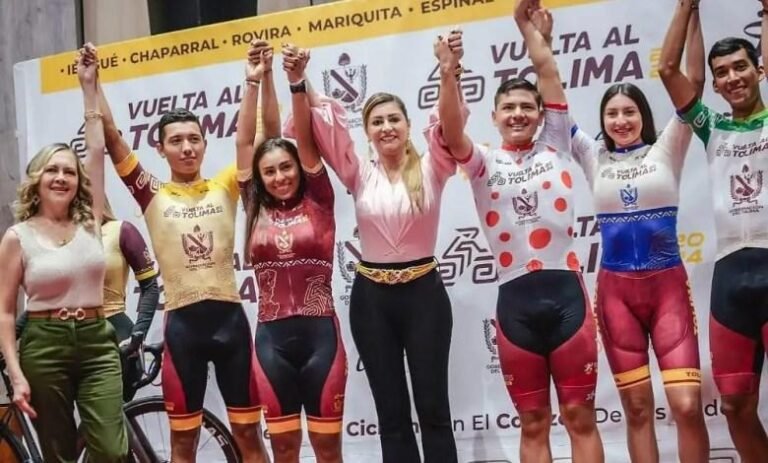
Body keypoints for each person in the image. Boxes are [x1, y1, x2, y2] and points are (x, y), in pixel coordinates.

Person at [430, 1, 603, 461]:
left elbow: (547, 72)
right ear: (494, 116)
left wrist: (525, 29)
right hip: (515, 305)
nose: (518, 114)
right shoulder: (483, 162)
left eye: (527, 106)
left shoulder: (556, 141)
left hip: (567, 297)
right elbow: (451, 130)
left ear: (542, 114)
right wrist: (449, 72)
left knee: (579, 417)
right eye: (508, 107)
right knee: (533, 423)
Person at [540, 2, 710, 461]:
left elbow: (694, 83)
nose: (621, 120)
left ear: (642, 115)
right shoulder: (591, 154)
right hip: (617, 295)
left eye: (629, 111)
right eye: (612, 113)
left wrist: (692, 12)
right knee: (637, 409)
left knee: (687, 406)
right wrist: (544, 43)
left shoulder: (668, 145)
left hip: (668, 288)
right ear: (603, 120)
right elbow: (555, 108)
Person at [94, 41, 275, 463]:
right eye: (176, 141)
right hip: (182, 330)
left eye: (194, 139)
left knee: (249, 436)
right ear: (160, 149)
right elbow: (111, 136)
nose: (187, 147)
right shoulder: (152, 194)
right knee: (182, 444)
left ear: (205, 144)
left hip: (231, 324)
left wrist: (257, 80)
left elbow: (263, 135)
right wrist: (93, 82)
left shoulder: (225, 185)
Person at [295, 45, 460, 463]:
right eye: (377, 121)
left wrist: (448, 71)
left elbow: (451, 123)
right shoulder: (358, 172)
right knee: (391, 413)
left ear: (408, 125)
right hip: (372, 302)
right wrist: (300, 76)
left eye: (393, 119)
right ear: (367, 131)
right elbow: (324, 124)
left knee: (434, 408)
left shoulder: (434, 166)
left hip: (424, 297)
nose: (387, 127)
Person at [0, 45, 128, 462]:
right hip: (43, 344)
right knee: (58, 455)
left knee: (111, 450)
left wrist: (89, 87)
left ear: (78, 181)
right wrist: (16, 374)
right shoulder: (17, 237)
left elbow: (96, 151)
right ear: (37, 180)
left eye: (69, 171)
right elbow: (5, 313)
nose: (61, 177)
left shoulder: (91, 220)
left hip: (96, 341)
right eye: (52, 170)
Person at [659, 0, 768, 461]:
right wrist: (688, 7)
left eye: (741, 67)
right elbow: (668, 69)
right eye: (721, 72)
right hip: (730, 277)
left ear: (759, 70)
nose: (732, 78)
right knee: (735, 406)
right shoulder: (712, 126)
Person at [233, 43, 347, 463]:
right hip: (272, 342)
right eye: (269, 171)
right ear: (259, 177)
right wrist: (253, 81)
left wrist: (295, 82)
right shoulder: (254, 203)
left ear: (299, 167)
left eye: (286, 167)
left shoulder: (319, 197)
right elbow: (245, 141)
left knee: (327, 449)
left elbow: (303, 134)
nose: (280, 176)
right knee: (283, 448)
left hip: (322, 340)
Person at [16, 199, 160, 402]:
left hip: (116, 333)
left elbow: (150, 287)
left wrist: (139, 333)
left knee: (111, 413)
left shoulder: (121, 231)